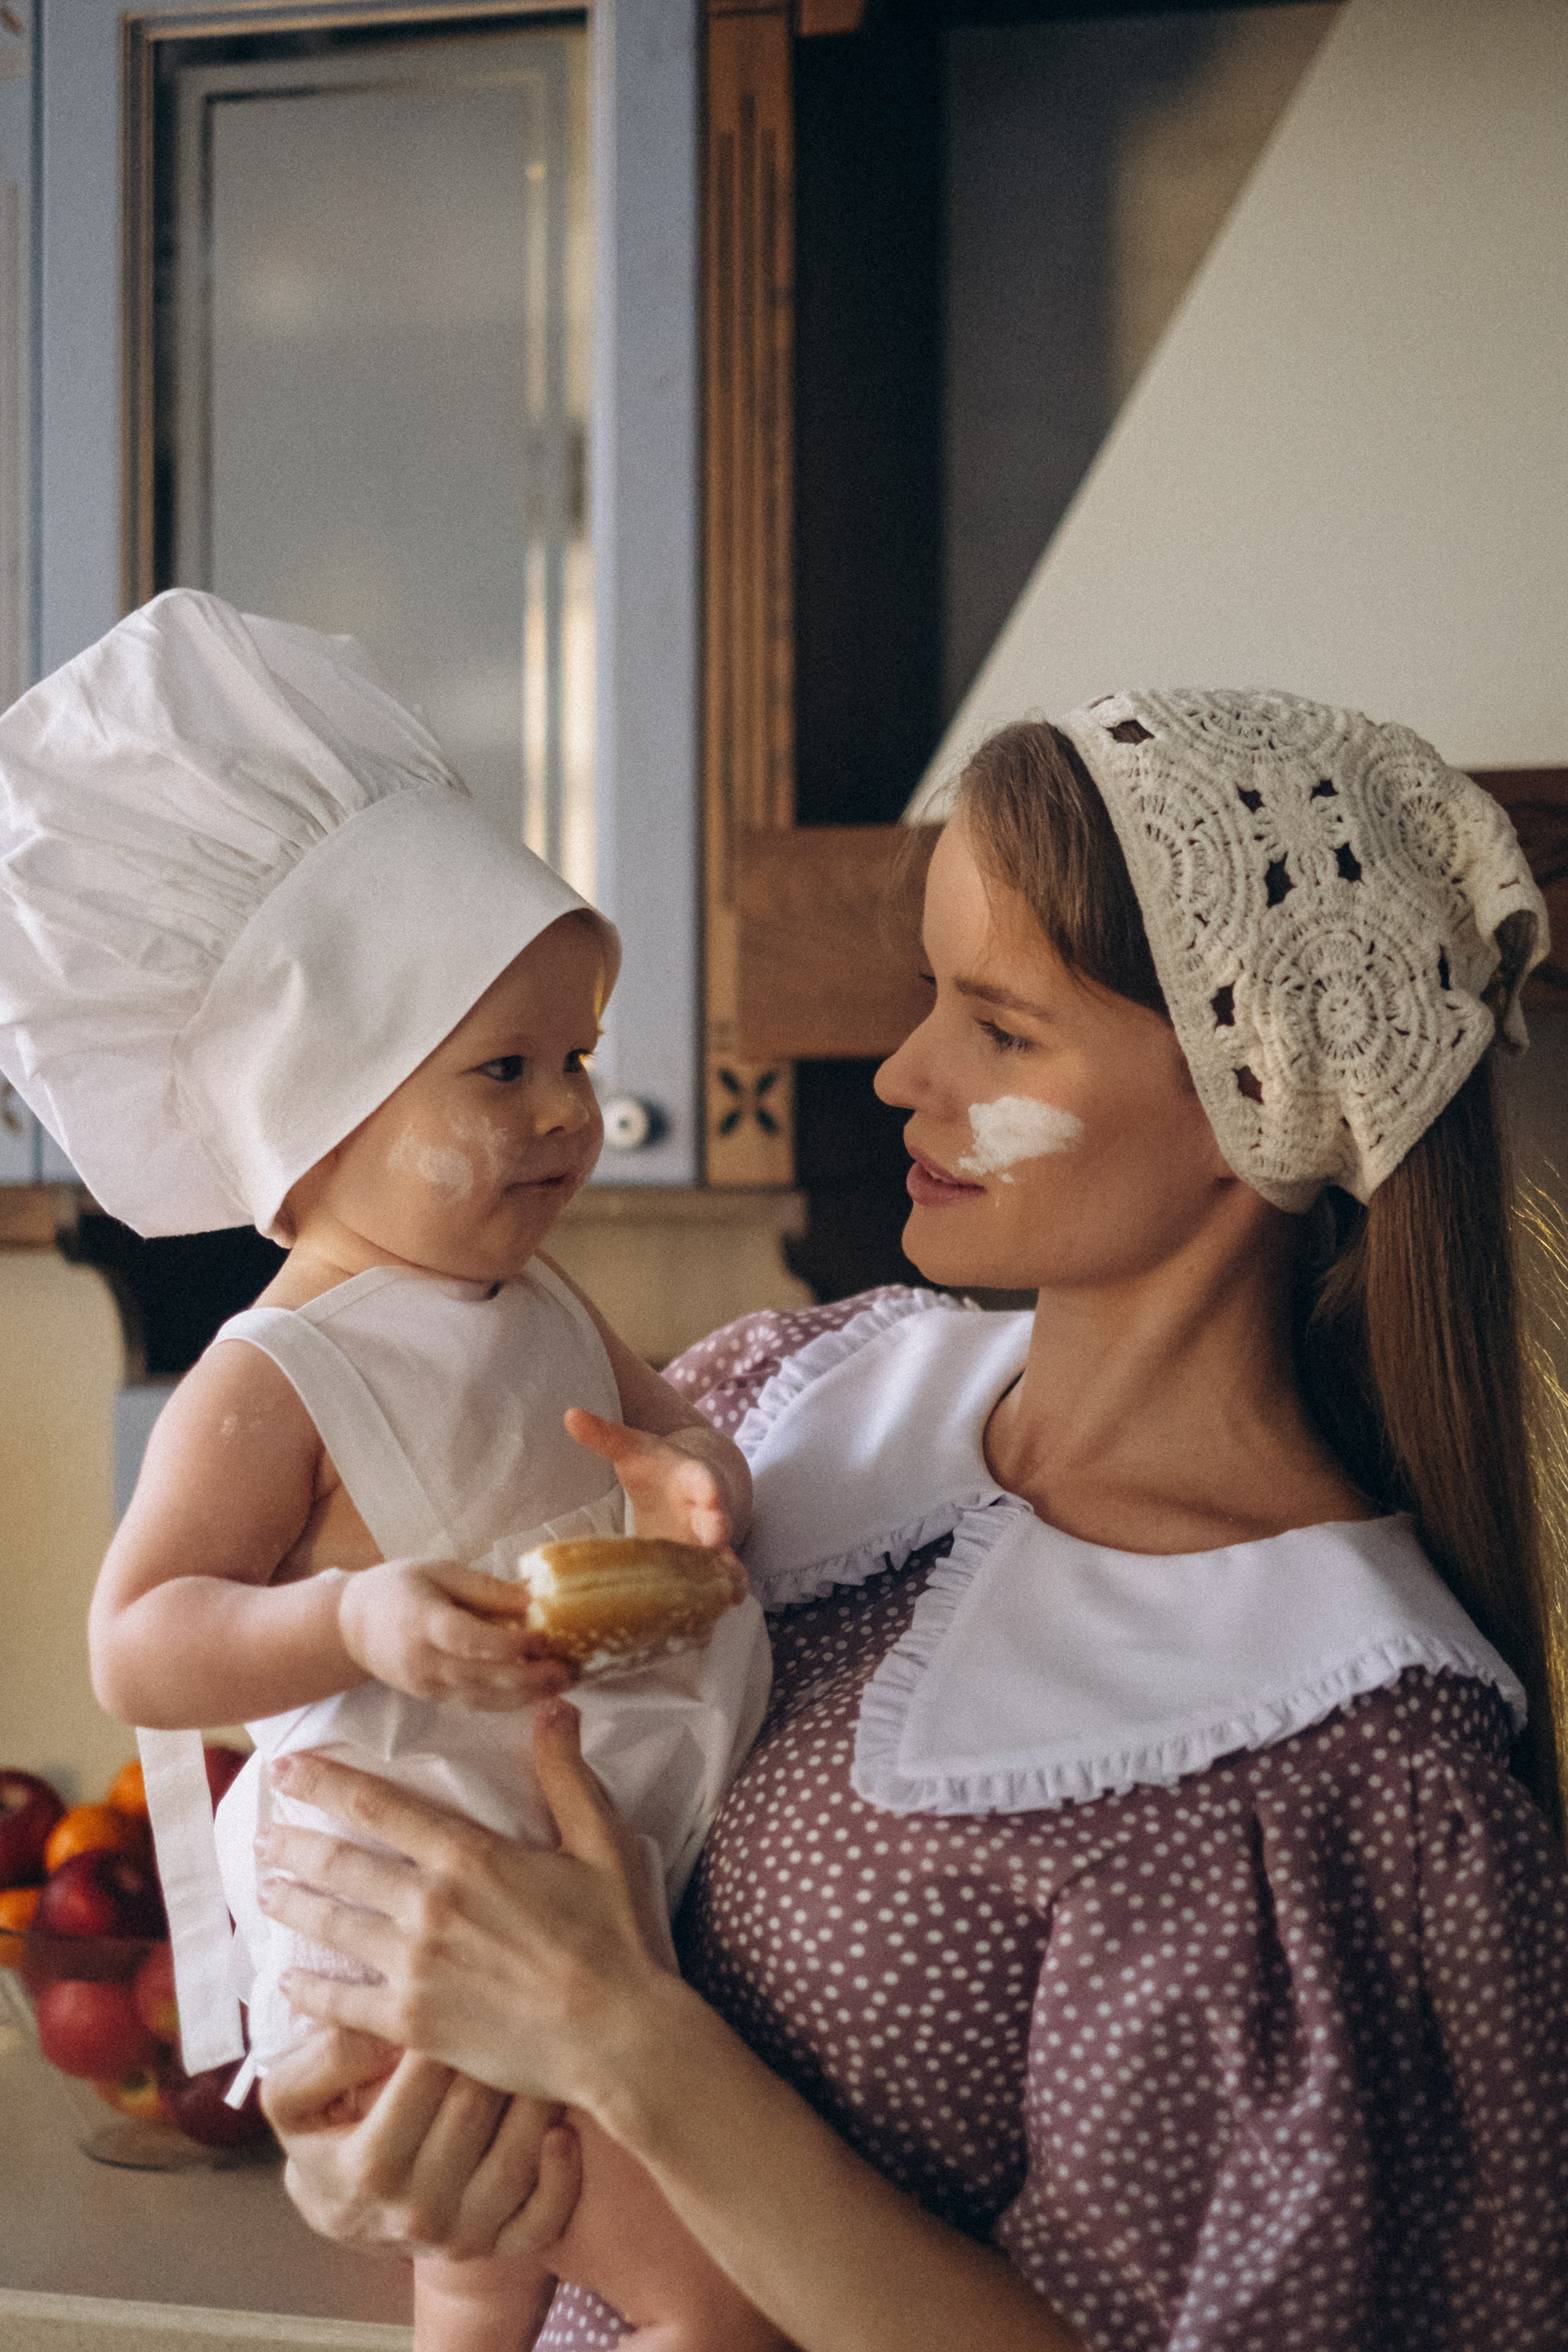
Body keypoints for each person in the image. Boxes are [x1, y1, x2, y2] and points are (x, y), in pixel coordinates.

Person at [251, 688, 1568, 2352]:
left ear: (1257, 1097)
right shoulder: (778, 1394)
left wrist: (620, 2038)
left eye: (1000, 1031)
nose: (902, 1071)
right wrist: (385, 2143)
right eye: (931, 997)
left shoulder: (1341, 1775)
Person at [0, 590, 783, 2352]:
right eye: (503, 1070)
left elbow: (673, 1428)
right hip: (418, 1943)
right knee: (705, 2293)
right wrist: (356, 1621)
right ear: (318, 1108)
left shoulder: (528, 1291)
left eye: (575, 1058)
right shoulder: (281, 1374)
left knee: (493, 2281)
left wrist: (690, 1489)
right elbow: (141, 1644)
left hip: (565, 1909)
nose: (568, 1111)